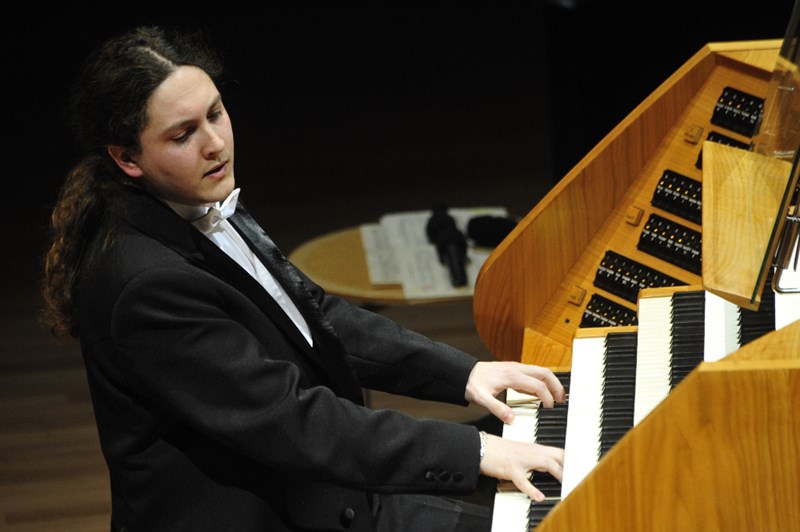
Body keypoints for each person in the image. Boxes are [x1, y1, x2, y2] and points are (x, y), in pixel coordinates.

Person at [42, 26, 565, 532]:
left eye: (216, 114)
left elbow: (314, 315)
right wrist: (475, 453)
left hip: (315, 484)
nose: (215, 144)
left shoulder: (194, 200)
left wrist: (466, 374)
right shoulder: (146, 285)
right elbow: (291, 418)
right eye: (183, 134)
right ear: (126, 157)